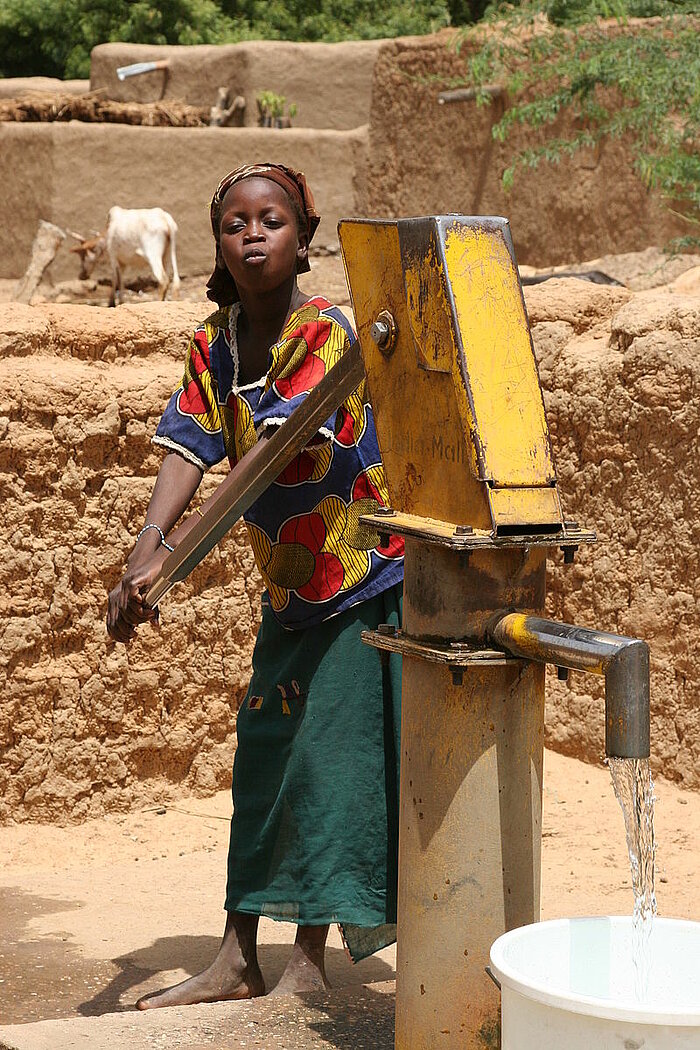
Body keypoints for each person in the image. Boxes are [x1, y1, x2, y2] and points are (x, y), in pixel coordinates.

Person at [106, 163, 404, 1007]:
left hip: (356, 582)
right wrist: (142, 555)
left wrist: (170, 567)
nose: (252, 234)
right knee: (263, 757)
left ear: (303, 239)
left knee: (328, 761)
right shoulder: (213, 341)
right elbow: (187, 445)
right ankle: (237, 957)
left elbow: (267, 455)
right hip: (289, 590)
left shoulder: (324, 333)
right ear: (217, 244)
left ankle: (309, 962)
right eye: (235, 223)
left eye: (271, 220)